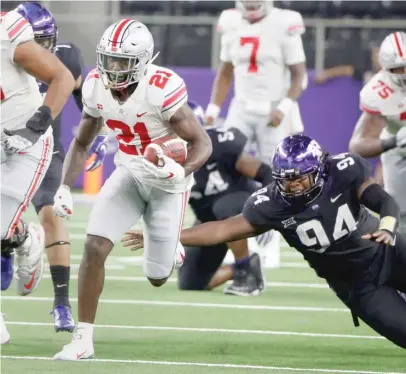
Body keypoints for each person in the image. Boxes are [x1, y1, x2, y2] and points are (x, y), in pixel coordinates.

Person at [124, 134, 406, 349]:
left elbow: (381, 200)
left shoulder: (342, 171)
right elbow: (222, 230)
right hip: (358, 286)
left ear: (319, 170)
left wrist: (389, 226)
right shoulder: (270, 204)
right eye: (286, 180)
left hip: (387, 252)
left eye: (300, 179)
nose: (292, 186)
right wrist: (170, 235)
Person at [52, 19, 212, 360]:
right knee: (94, 245)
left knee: (156, 277)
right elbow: (82, 142)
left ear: (141, 62)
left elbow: (202, 143)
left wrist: (179, 172)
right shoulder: (95, 85)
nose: (113, 68)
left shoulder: (159, 87)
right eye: (109, 59)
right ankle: (83, 339)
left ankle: (169, 250)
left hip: (169, 184)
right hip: (130, 171)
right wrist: (65, 186)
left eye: (121, 62)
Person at [15, 1, 108, 333]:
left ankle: (61, 303)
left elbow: (88, 104)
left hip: (44, 149)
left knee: (51, 213)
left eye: (45, 41)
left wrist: (95, 138)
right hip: (4, 148)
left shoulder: (66, 56)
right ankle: (22, 240)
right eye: (34, 41)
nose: (42, 49)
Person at [1, 7, 75, 344]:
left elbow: (63, 78)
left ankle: (23, 237)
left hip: (25, 144)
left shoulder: (9, 32)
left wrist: (39, 121)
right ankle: (17, 235)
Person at [178, 101, 273, 295]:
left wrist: (267, 211)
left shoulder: (221, 144)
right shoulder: (165, 156)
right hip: (209, 220)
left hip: (241, 207)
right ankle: (241, 269)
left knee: (226, 205)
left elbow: (266, 174)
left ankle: (245, 268)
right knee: (190, 282)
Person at [205, 0, 307, 163]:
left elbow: (300, 75)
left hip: (274, 107)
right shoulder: (231, 22)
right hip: (241, 105)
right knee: (229, 158)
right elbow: (225, 72)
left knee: (274, 164)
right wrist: (213, 108)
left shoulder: (283, 22)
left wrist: (283, 108)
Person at [349, 31, 406, 234]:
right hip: (400, 153)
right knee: (399, 214)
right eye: (398, 69)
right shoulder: (377, 90)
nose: (405, 73)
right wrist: (394, 141)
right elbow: (357, 145)